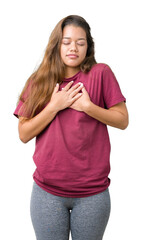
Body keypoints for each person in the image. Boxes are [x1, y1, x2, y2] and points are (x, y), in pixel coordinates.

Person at [13, 15, 129, 240]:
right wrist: (54, 106)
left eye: (80, 42)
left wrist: (88, 107)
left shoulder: (101, 73)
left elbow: (122, 120)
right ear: (57, 45)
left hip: (92, 193)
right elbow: (23, 134)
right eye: (66, 42)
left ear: (88, 46)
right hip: (47, 192)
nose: (73, 48)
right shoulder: (39, 81)